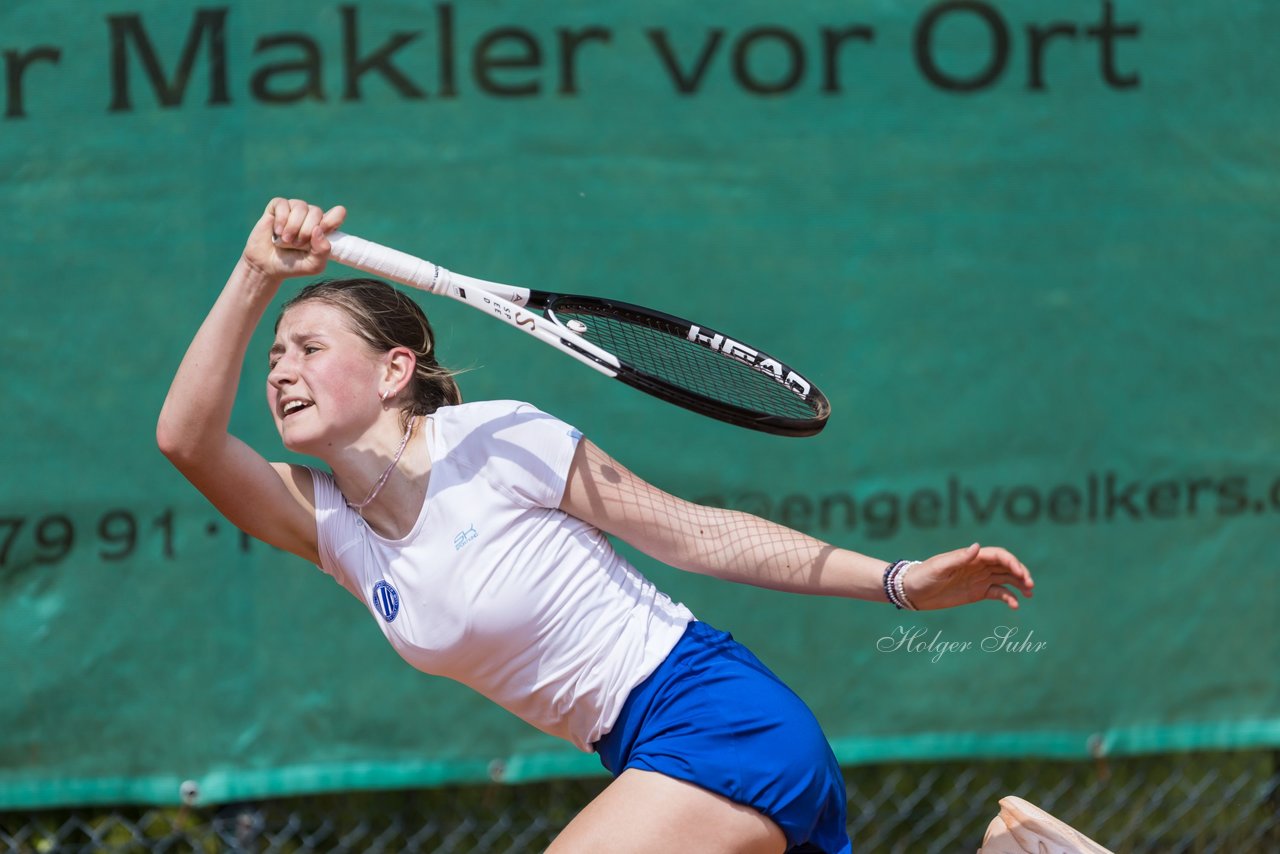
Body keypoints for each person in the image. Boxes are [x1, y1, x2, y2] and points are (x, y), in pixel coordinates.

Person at [157, 197, 1035, 854]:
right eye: (274, 355)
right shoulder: (330, 526)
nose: (280, 371)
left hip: (718, 717)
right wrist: (255, 274)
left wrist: (897, 582)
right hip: (637, 754)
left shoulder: (499, 440)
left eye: (309, 349)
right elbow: (186, 440)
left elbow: (696, 534)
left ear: (394, 370)